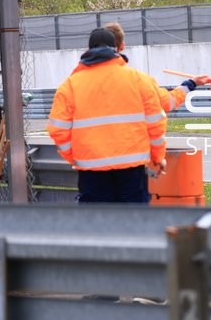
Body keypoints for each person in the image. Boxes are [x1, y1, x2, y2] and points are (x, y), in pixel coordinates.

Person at [47, 28, 167, 203]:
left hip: (91, 170)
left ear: (89, 50)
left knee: (98, 219)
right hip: (131, 169)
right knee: (134, 218)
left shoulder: (70, 86)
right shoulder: (139, 80)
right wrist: (158, 156)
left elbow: (57, 130)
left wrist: (75, 158)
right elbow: (156, 123)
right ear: (116, 49)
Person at [103, 22, 209, 111]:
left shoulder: (90, 80)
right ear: (122, 46)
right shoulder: (139, 81)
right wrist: (191, 83)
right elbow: (167, 101)